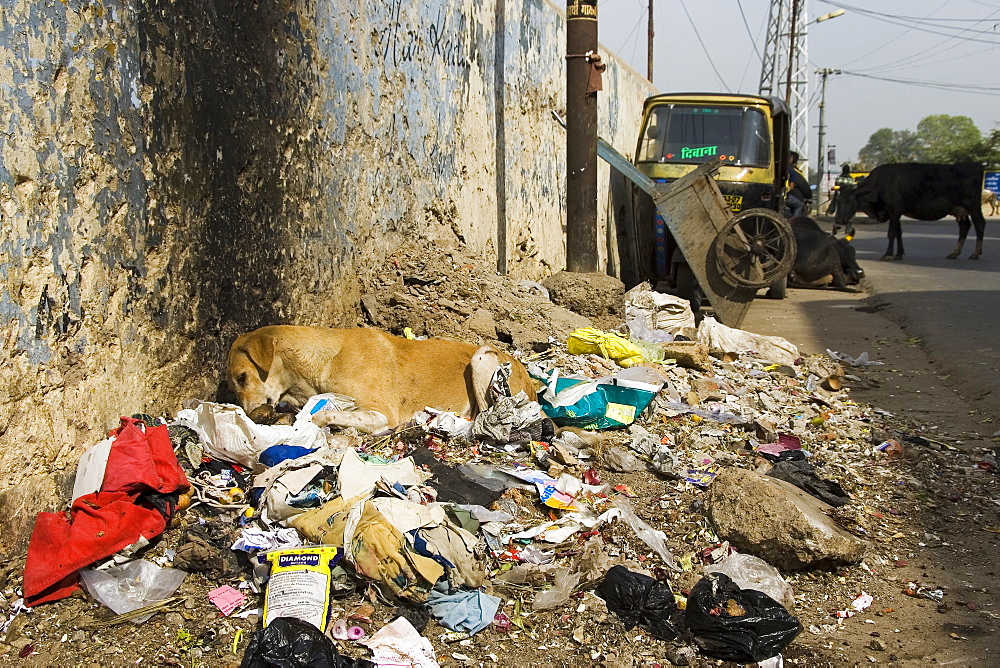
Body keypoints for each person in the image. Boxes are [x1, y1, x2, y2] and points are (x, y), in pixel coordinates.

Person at [830, 164, 857, 235]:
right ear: (849, 171)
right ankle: (848, 227)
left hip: (841, 198)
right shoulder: (851, 179)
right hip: (850, 199)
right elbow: (854, 188)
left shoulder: (839, 178)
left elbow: (836, 187)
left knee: (839, 212)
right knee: (851, 213)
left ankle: (836, 224)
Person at [785, 151, 811, 217]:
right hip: (787, 197)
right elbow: (803, 187)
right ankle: (795, 221)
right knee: (799, 205)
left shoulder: (784, 169)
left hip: (785, 196)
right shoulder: (793, 171)